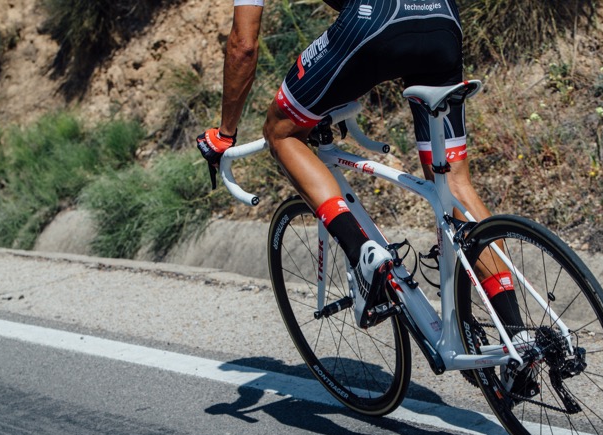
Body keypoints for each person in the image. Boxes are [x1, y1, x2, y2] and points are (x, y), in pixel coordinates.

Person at [197, 0, 524, 333]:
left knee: (280, 130)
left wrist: (225, 134)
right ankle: (520, 338)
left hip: (376, 22)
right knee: (454, 184)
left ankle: (362, 252)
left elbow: (244, 47)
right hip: (443, 17)